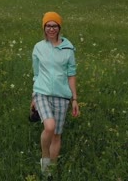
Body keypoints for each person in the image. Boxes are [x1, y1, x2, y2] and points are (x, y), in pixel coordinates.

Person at [30, 11, 80, 177]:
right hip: (42, 92)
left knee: (57, 135)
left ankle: (50, 170)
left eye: (54, 25)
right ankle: (45, 157)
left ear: (59, 28)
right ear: (44, 28)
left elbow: (71, 74)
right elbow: (36, 74)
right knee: (49, 126)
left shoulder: (68, 49)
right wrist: (33, 96)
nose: (51, 29)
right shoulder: (38, 47)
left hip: (62, 95)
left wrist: (74, 99)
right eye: (48, 25)